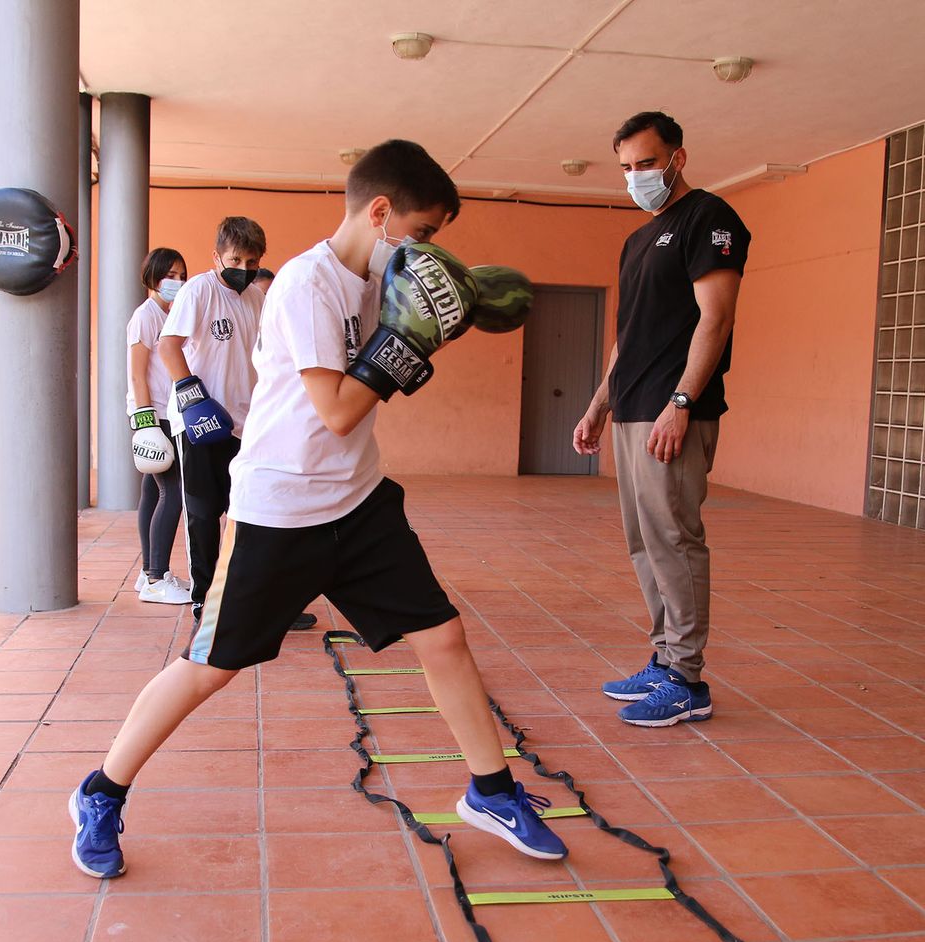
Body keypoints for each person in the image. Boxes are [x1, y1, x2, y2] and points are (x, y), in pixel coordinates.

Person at [68, 139, 568, 879]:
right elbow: (336, 408)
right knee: (210, 668)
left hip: (359, 501)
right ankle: (100, 791)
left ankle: (490, 790)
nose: (427, 251)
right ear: (380, 211)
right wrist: (403, 348)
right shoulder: (308, 285)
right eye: (422, 232)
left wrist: (442, 320)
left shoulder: (379, 281)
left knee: (444, 638)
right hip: (279, 510)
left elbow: (365, 400)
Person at [573, 111, 750, 728]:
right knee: (643, 540)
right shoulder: (638, 239)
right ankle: (664, 656)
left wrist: (681, 403)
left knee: (675, 539)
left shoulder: (710, 218)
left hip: (672, 412)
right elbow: (628, 337)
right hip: (632, 410)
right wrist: (600, 404)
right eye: (626, 168)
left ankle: (687, 679)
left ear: (677, 157)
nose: (636, 177)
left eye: (646, 163)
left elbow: (715, 318)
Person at [154, 218, 315, 631]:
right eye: (235, 259)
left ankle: (262, 601)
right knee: (205, 516)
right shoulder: (199, 291)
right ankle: (207, 604)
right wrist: (192, 396)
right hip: (202, 424)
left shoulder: (256, 300)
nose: (243, 267)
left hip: (248, 424)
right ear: (216, 257)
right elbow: (169, 345)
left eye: (252, 260)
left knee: (259, 514)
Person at [127, 247, 193, 604]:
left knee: (152, 493)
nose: (177, 282)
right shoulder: (145, 316)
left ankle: (147, 572)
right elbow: (137, 375)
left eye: (181, 275)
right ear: (152, 277)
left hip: (169, 412)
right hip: (154, 415)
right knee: (174, 491)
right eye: (170, 275)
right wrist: (146, 423)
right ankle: (156, 577)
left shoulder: (171, 313)